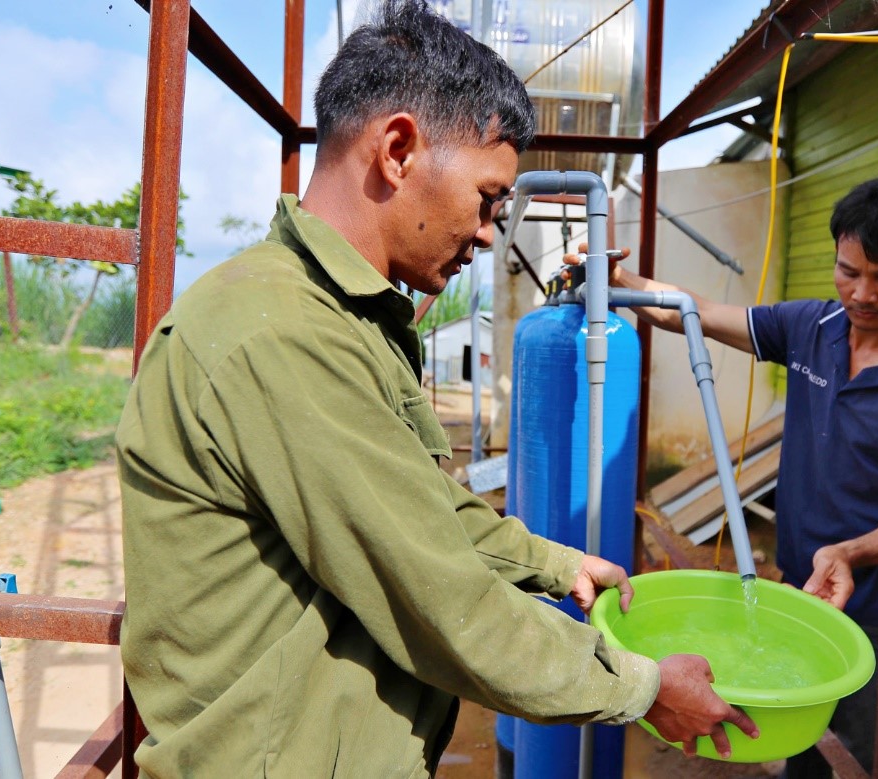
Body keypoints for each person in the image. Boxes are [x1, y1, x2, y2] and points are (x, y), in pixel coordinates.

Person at [115, 1, 755, 775]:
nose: (489, 231)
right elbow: (435, 594)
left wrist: (550, 563)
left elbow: (420, 504)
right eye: (487, 198)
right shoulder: (282, 334)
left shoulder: (342, 318)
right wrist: (644, 688)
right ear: (397, 149)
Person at [574, 176, 878, 776]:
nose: (862, 293)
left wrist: (851, 552)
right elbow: (697, 314)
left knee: (861, 754)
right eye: (848, 271)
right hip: (799, 589)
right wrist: (621, 282)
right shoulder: (811, 329)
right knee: (800, 741)